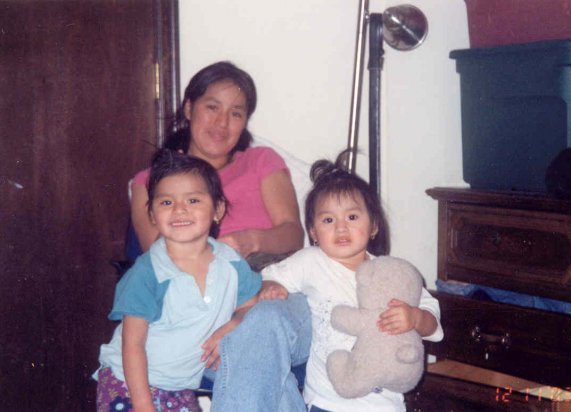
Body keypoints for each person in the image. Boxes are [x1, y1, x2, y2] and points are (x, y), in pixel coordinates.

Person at [257, 151, 444, 411]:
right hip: (326, 400)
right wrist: (271, 286)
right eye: (328, 220)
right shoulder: (310, 261)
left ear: (374, 225)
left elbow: (431, 314)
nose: (341, 228)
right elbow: (271, 275)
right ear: (313, 232)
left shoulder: (393, 273)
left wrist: (415, 318)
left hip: (383, 403)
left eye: (352, 217)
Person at [94, 150, 261, 412]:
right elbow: (132, 345)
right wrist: (143, 406)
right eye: (166, 202)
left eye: (193, 200)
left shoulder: (231, 262)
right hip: (129, 383)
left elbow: (250, 304)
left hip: (179, 386)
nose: (179, 209)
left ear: (217, 209)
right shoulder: (148, 271)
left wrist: (234, 324)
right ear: (152, 214)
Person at [130, 61, 304, 265]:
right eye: (212, 107)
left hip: (267, 271)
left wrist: (250, 240)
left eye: (235, 113)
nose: (222, 122)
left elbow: (294, 235)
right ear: (189, 108)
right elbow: (156, 258)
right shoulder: (150, 180)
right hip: (193, 276)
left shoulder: (261, 160)